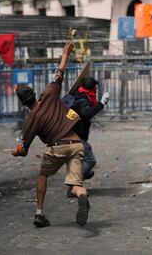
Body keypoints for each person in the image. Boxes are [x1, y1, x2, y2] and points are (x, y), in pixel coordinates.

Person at [8, 40, 90, 228]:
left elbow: (23, 150)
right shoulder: (50, 92)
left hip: (56, 148)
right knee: (73, 187)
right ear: (35, 94)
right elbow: (59, 73)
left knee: (42, 175)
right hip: (76, 145)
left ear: (23, 104)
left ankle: (39, 214)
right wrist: (65, 53)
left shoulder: (30, 122)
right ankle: (82, 193)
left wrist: (16, 151)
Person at [71, 77, 109, 180]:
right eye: (95, 88)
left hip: (74, 133)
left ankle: (80, 176)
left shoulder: (78, 94)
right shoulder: (82, 100)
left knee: (79, 159)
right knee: (90, 160)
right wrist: (101, 104)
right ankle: (74, 180)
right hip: (74, 135)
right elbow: (86, 113)